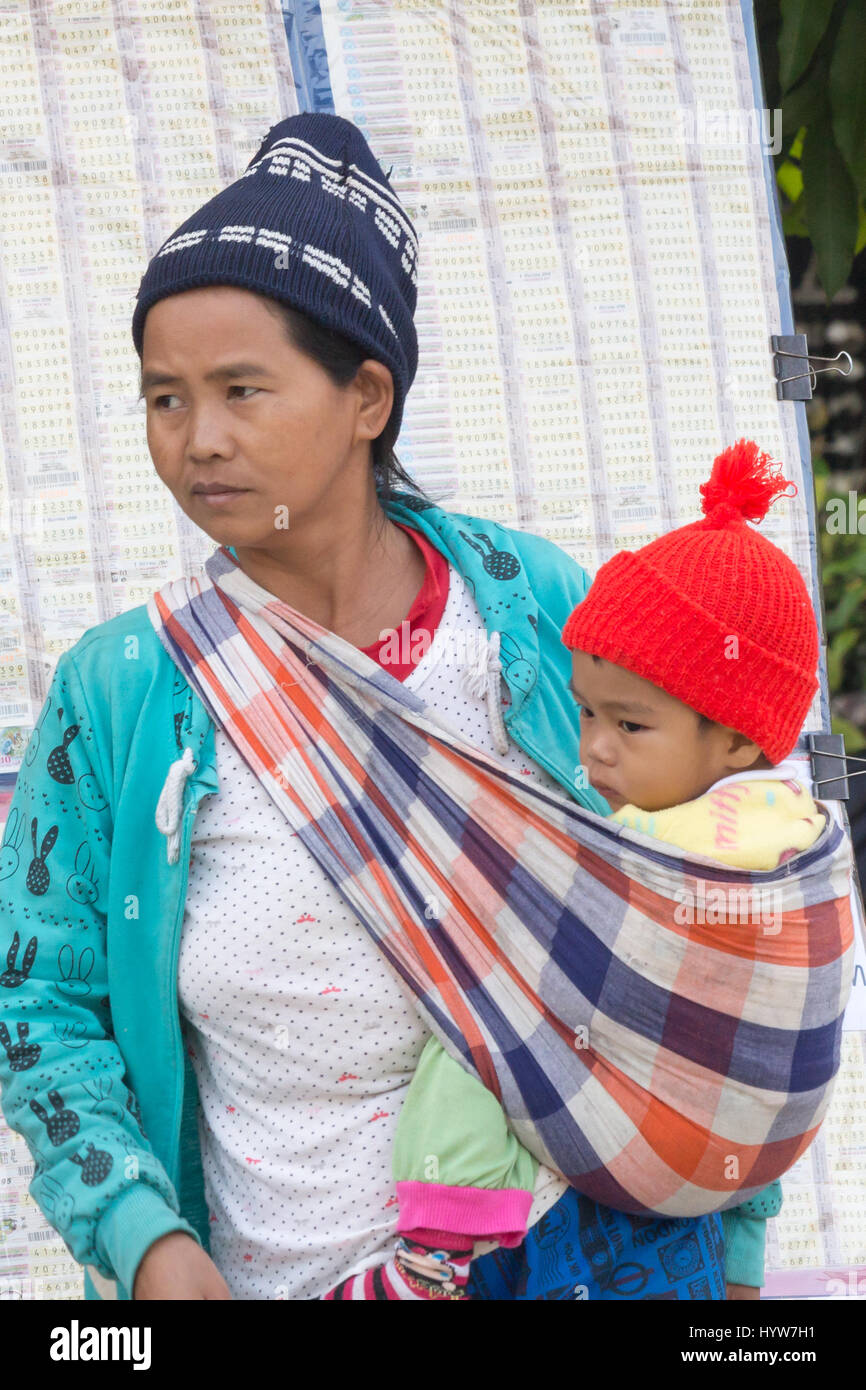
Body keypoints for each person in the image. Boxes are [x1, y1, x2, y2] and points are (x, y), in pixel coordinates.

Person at [0, 112, 775, 1302]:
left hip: (579, 1261)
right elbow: (40, 1001)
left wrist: (731, 1256)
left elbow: (712, 939)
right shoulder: (124, 692)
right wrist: (148, 1242)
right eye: (164, 399)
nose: (198, 441)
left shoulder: (549, 627)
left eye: (242, 390)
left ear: (368, 395)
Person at [321, 439, 820, 1300]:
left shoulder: (693, 857)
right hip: (684, 1232)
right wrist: (742, 1261)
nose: (591, 749)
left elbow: (733, 1051)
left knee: (479, 1012)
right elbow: (752, 1073)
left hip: (616, 1241)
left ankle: (436, 1250)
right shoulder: (783, 835)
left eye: (630, 727)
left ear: (738, 738)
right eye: (586, 710)